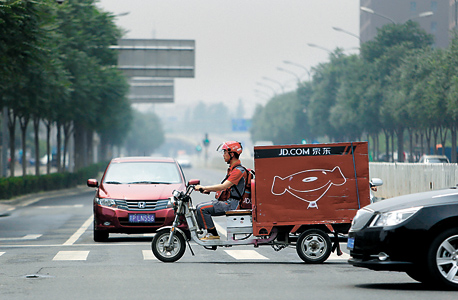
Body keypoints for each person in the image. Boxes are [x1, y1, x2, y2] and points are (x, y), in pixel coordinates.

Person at [194, 141, 247, 240]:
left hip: (232, 204)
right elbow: (226, 188)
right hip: (228, 202)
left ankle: (213, 234)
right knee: (198, 207)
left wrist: (204, 187)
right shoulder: (233, 169)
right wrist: (208, 190)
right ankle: (209, 233)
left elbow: (223, 186)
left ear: (232, 154)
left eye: (225, 152)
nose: (223, 155)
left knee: (202, 208)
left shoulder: (238, 171)